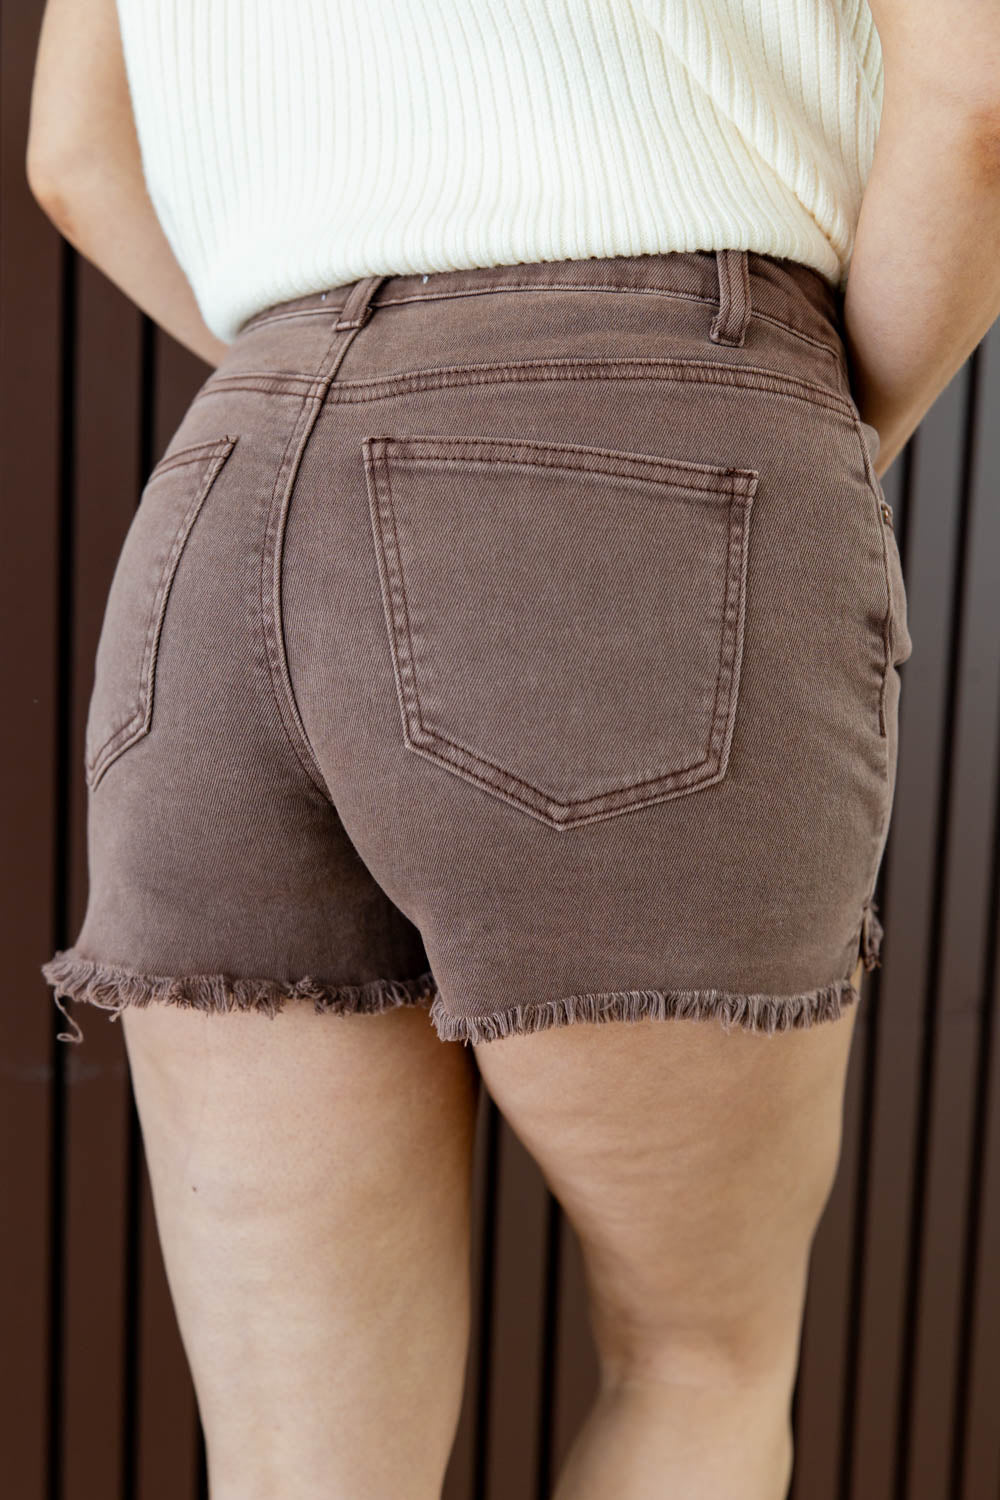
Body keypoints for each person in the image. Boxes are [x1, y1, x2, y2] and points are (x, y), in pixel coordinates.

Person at [25, 1, 1000, 1496]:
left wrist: (350, 377)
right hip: (651, 423)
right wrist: (818, 419)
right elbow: (979, 101)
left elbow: (75, 156)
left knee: (298, 1469)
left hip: (229, 488)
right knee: (698, 1365)